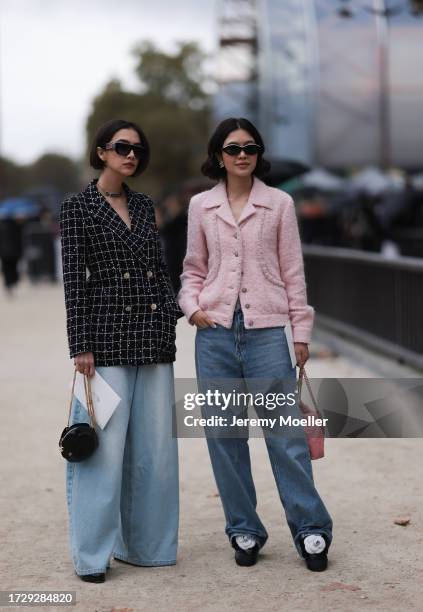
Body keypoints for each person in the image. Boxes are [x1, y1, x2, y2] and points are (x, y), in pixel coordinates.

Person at [178, 117, 333, 571]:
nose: (242, 155)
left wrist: (300, 332)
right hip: (215, 333)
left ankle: (311, 530)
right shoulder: (200, 206)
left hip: (268, 332)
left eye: (250, 147)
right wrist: (192, 306)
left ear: (258, 153)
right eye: (232, 148)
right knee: (224, 436)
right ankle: (244, 528)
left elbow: (293, 272)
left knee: (285, 437)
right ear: (218, 155)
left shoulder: (279, 203)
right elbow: (192, 268)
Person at [60, 119, 181, 583]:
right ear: (101, 152)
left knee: (155, 450)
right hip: (105, 339)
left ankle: (149, 548)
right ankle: (91, 556)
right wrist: (81, 345)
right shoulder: (77, 207)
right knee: (104, 452)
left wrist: (170, 310)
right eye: (122, 147)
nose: (132, 155)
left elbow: (159, 265)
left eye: (138, 149)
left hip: (152, 335)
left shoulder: (146, 204)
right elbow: (75, 281)